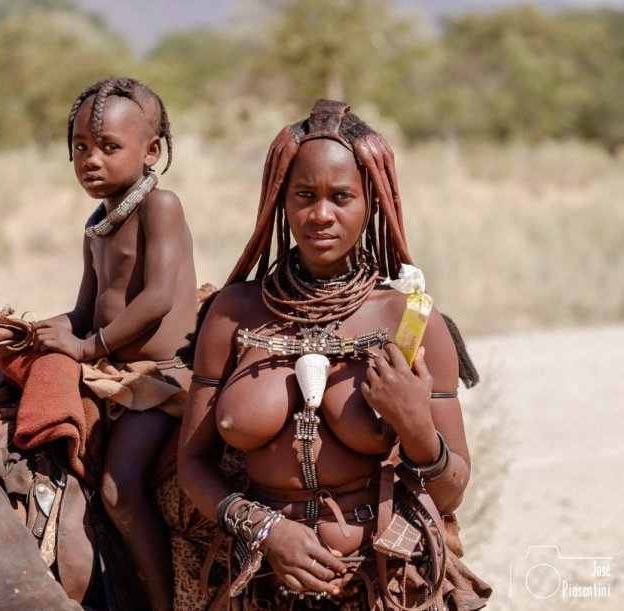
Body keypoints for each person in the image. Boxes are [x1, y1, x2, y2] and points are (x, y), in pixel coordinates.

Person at [178, 99, 491, 609]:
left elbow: (451, 491)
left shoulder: (411, 320)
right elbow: (192, 462)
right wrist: (266, 532)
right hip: (259, 583)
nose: (320, 214)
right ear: (281, 200)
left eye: (341, 197)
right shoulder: (233, 313)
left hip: (383, 584)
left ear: (372, 203)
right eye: (304, 195)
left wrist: (414, 427)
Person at [0, 76, 196, 611]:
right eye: (79, 147)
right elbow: (82, 311)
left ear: (152, 152)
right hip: (110, 367)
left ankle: (164, 605)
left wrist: (88, 349)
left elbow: (159, 299)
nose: (90, 160)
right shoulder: (97, 225)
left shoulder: (159, 206)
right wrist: (14, 333)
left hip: (157, 377)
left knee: (119, 490)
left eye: (108, 147)